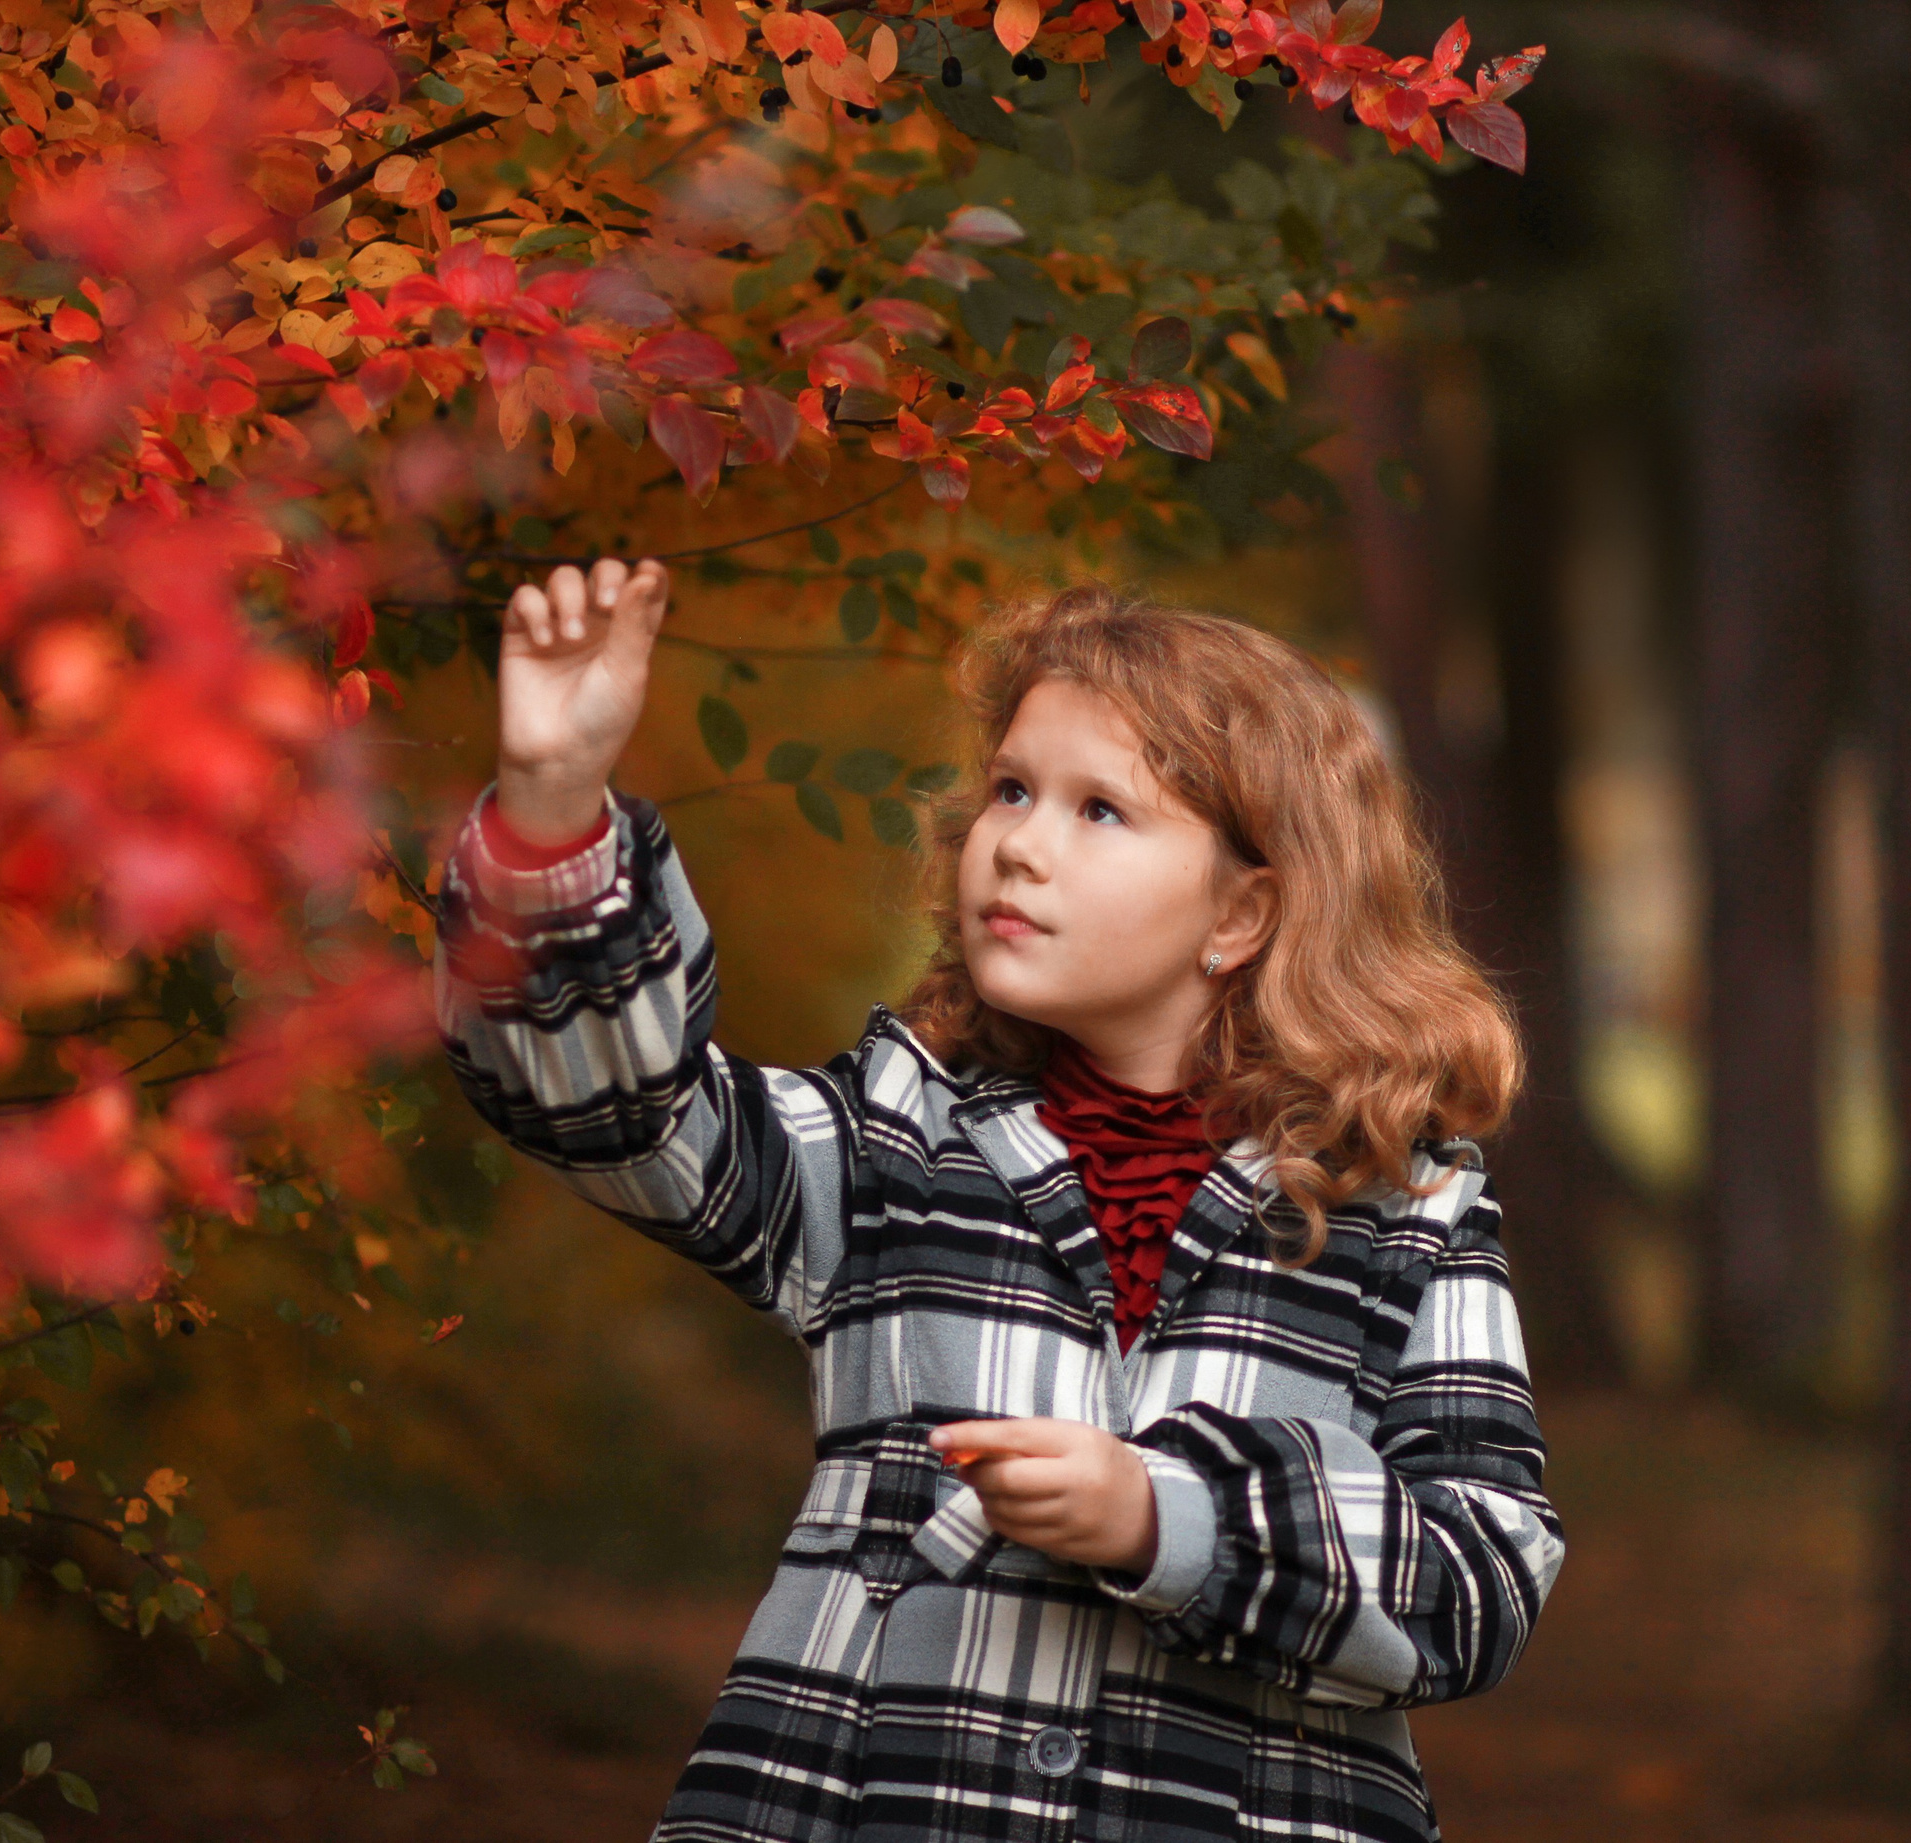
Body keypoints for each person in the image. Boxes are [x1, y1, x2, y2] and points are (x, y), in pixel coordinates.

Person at [434, 556, 1564, 1843]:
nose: (1018, 841)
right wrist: (551, 804)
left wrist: (1166, 1515)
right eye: (1013, 789)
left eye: (1099, 812)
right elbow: (612, 1110)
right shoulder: (892, 1140)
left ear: (1242, 913)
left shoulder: (1403, 1211)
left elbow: (1483, 1571)